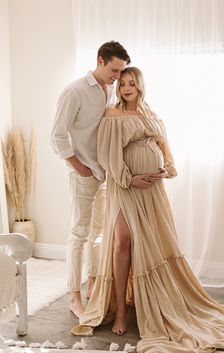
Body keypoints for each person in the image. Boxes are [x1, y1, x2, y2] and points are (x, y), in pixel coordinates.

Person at [71, 67, 224, 352]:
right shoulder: (112, 116)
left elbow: (164, 148)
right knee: (122, 243)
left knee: (154, 246)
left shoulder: (152, 115)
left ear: (141, 86)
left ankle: (156, 302)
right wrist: (129, 179)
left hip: (152, 191)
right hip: (125, 188)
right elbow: (109, 156)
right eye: (122, 83)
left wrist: (163, 170)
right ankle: (120, 310)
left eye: (132, 83)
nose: (126, 87)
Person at [50, 41, 131, 318]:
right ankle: (74, 296)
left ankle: (93, 284)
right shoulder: (74, 92)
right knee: (78, 234)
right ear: (99, 61)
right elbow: (57, 135)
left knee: (98, 234)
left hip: (105, 172)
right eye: (114, 70)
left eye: (121, 71)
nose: (118, 76)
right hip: (83, 173)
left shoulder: (112, 90)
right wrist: (77, 165)